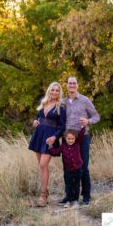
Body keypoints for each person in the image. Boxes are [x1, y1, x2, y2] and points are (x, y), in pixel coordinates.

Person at [61, 76, 100, 206]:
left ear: (77, 85)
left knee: (83, 167)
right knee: (67, 168)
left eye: (74, 83)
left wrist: (88, 121)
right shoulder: (63, 102)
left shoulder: (84, 100)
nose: (72, 85)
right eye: (69, 83)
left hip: (82, 138)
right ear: (66, 85)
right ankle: (69, 196)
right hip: (67, 140)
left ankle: (86, 196)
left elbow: (96, 116)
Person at [28, 82, 66, 207]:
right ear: (49, 91)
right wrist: (35, 121)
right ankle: (46, 191)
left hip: (50, 137)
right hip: (39, 135)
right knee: (41, 165)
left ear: (59, 93)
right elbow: (38, 117)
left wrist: (55, 137)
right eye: (53, 90)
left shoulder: (61, 106)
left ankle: (43, 195)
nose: (55, 92)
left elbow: (63, 126)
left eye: (57, 91)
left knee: (44, 164)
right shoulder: (43, 102)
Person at [49, 128, 85, 208]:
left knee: (76, 185)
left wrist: (83, 127)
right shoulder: (63, 146)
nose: (70, 140)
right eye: (68, 139)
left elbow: (81, 136)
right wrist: (50, 146)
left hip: (78, 169)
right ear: (65, 138)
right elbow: (56, 151)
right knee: (68, 185)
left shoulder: (77, 144)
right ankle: (68, 200)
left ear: (75, 139)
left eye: (72, 139)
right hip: (68, 170)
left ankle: (75, 201)